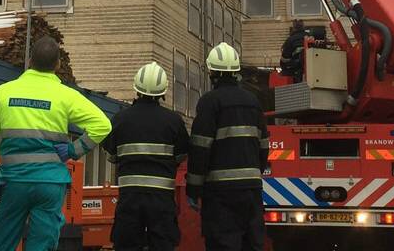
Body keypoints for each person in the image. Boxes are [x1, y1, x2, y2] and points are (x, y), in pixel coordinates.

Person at [0, 37, 112, 251]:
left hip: (13, 182)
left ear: (29, 61)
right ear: (57, 65)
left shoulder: (3, 92)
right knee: (42, 244)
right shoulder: (65, 95)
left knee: (2, 242)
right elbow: (102, 125)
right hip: (50, 184)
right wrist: (75, 149)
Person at [187, 43, 268, 251]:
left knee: (223, 243)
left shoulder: (209, 102)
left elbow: (200, 148)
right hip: (251, 190)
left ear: (212, 71)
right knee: (251, 243)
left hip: (221, 194)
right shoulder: (252, 102)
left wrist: (193, 189)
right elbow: (263, 145)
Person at [101, 62, 190, 251]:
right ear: (162, 91)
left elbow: (111, 155)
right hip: (162, 199)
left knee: (127, 244)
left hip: (130, 197)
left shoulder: (121, 119)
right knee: (163, 244)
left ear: (137, 88)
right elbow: (182, 155)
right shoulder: (174, 121)